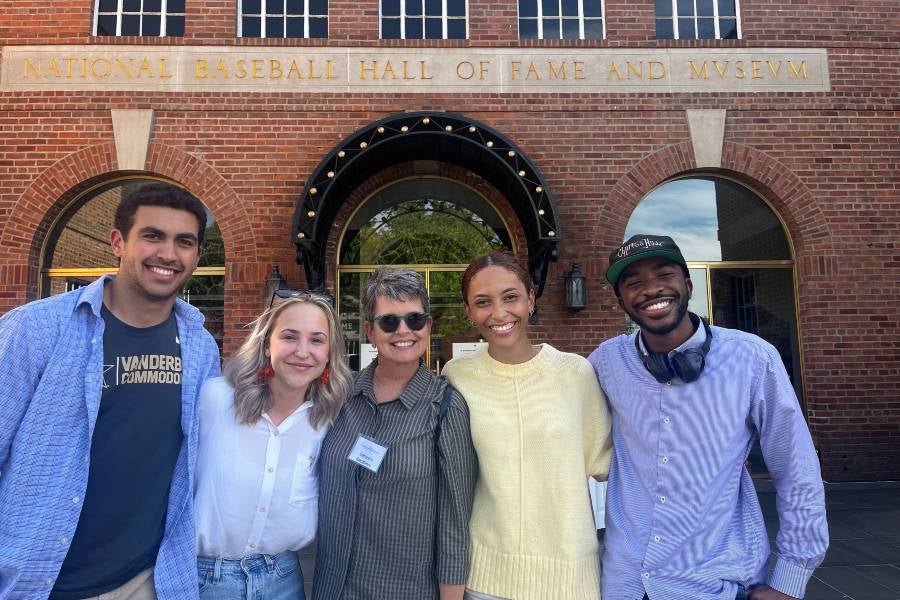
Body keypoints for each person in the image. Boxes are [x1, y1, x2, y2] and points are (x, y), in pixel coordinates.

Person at [0, 183, 221, 600]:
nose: (168, 254)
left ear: (196, 256)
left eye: (184, 242)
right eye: (152, 236)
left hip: (144, 581)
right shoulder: (37, 329)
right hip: (36, 579)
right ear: (119, 242)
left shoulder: (199, 346)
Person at [588, 234, 829, 600]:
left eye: (664, 275)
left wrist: (790, 579)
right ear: (621, 300)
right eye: (633, 283)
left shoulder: (752, 359)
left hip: (714, 584)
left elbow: (797, 470)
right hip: (625, 583)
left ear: (687, 285)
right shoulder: (606, 362)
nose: (651, 290)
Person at [441, 251, 613, 600]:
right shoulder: (456, 376)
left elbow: (609, 467)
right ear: (469, 312)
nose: (499, 313)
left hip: (570, 578)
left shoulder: (575, 373)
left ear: (531, 299)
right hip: (485, 579)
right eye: (483, 302)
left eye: (511, 297)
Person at [313, 267, 477, 600]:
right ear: (370, 331)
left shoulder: (445, 407)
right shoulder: (339, 398)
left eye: (414, 319)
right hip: (333, 589)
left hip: (404, 591)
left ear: (428, 327)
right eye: (389, 321)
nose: (403, 330)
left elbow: (455, 526)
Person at [194, 292, 352, 599]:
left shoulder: (328, 419)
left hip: (283, 578)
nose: (303, 352)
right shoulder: (215, 399)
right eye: (290, 337)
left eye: (317, 340)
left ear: (330, 352)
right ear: (267, 344)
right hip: (206, 579)